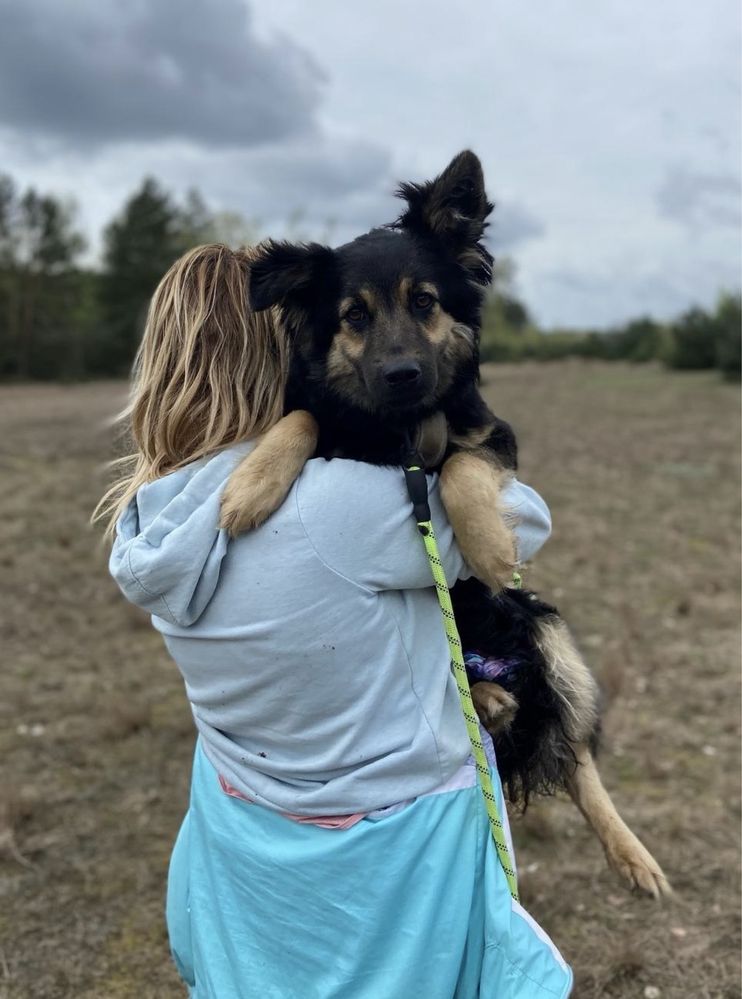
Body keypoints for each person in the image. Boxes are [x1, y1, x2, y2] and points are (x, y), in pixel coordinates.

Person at [98, 243, 573, 998]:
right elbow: (528, 523)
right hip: (394, 866)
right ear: (289, 353)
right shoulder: (336, 509)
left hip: (250, 851)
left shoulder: (151, 520)